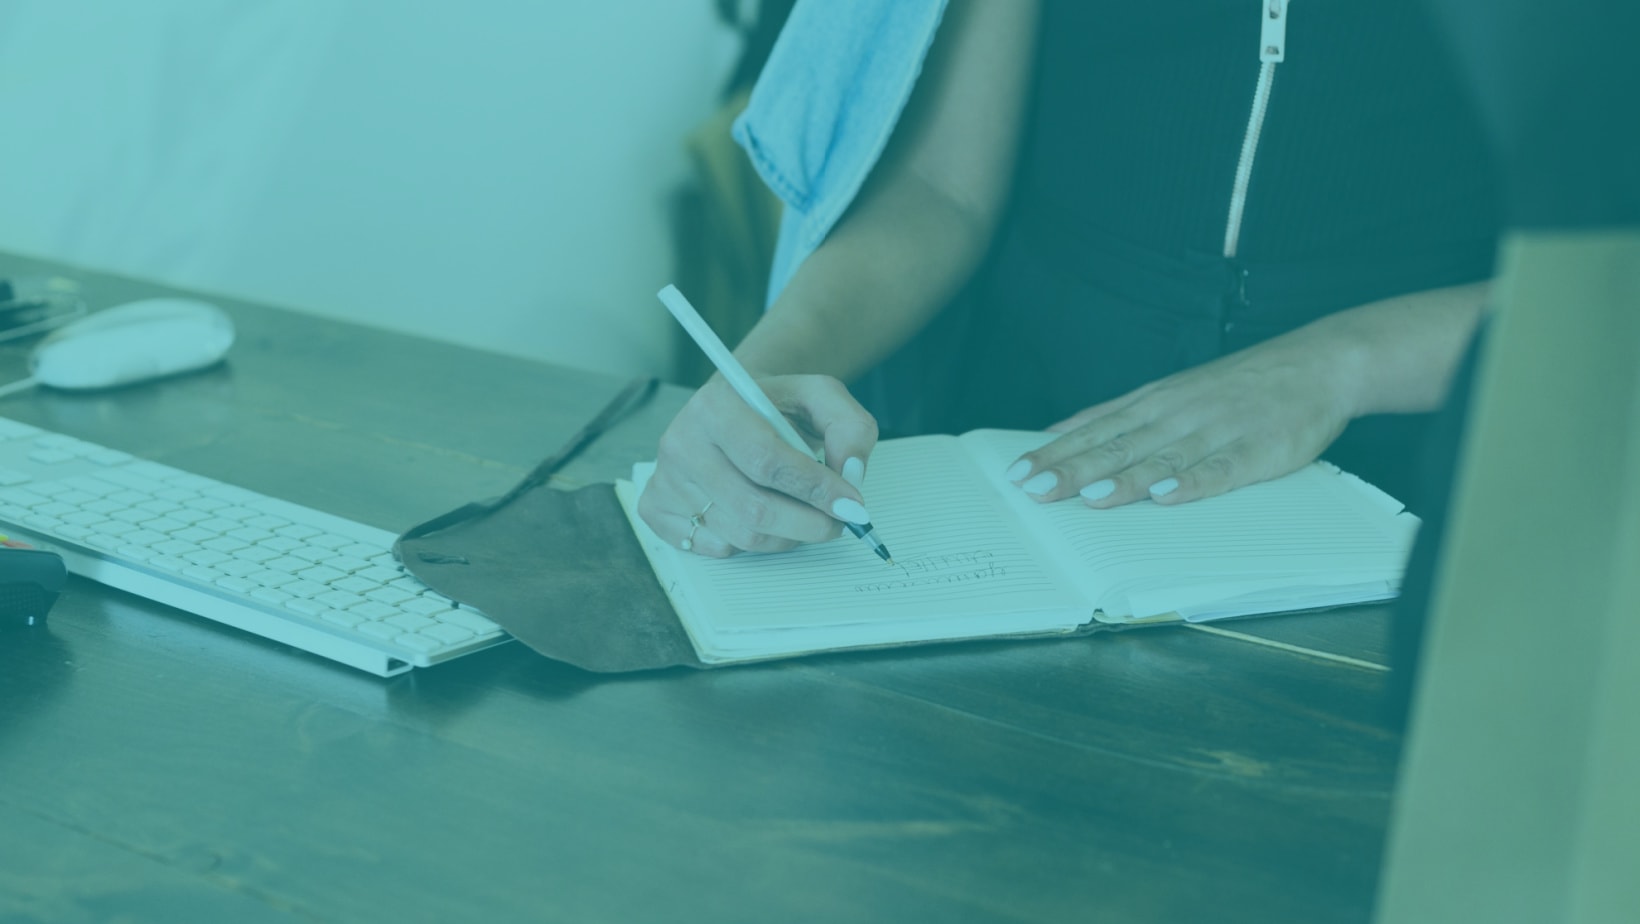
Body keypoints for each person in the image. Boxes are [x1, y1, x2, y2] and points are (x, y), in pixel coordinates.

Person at [639, 0, 1501, 557]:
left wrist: (1339, 363)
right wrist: (758, 378)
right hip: (1022, 451)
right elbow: (942, 189)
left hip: (1439, 451)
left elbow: (1611, 274)